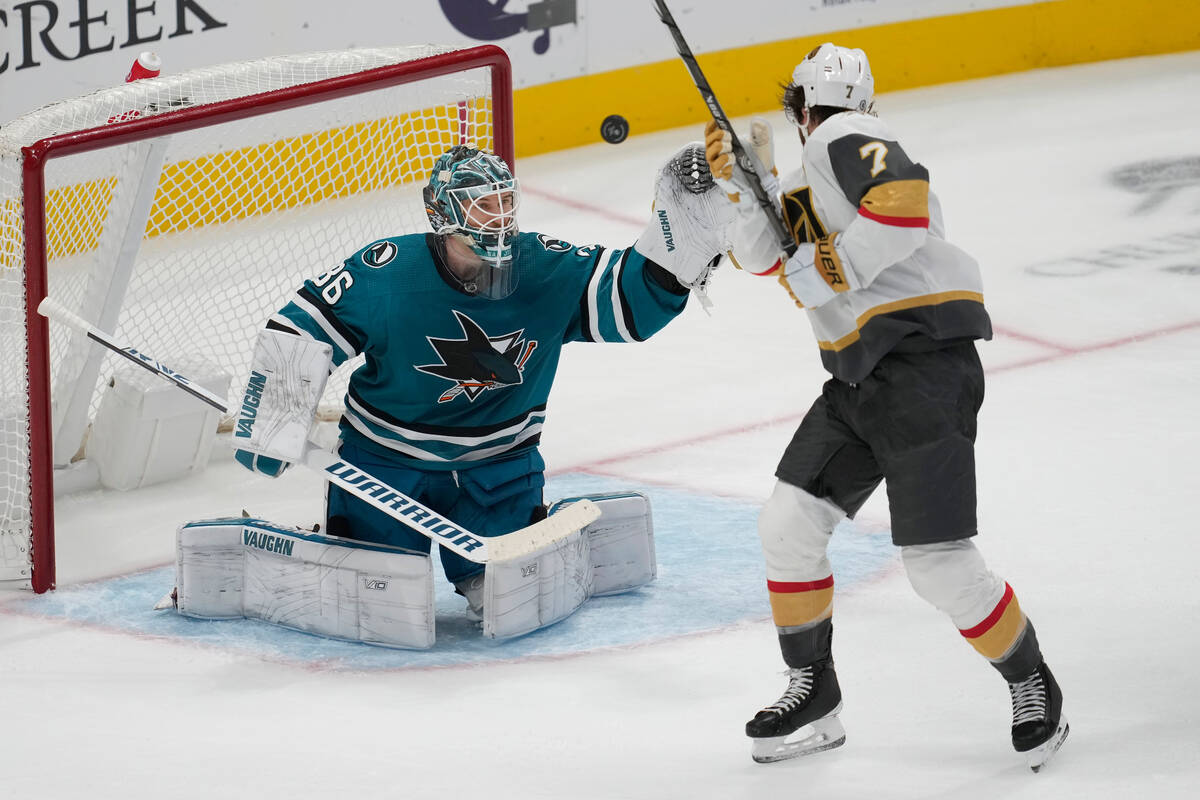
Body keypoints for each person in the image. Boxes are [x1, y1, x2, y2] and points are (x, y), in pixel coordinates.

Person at [703, 44, 1068, 769]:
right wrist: (744, 189)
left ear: (801, 110)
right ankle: (815, 689)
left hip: (922, 370)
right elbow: (770, 260)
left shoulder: (840, 140)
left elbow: (897, 207)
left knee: (937, 562)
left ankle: (1032, 681)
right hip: (860, 383)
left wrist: (827, 266)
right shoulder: (817, 179)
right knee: (788, 524)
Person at [232, 143, 731, 624]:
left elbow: (626, 306)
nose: (497, 217)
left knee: (508, 600)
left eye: (504, 201)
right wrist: (274, 421)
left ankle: (517, 538)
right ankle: (323, 547)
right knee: (374, 597)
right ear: (441, 211)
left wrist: (674, 256)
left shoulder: (544, 266)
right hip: (384, 469)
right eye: (480, 205)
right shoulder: (386, 271)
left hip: (499, 469)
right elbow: (300, 329)